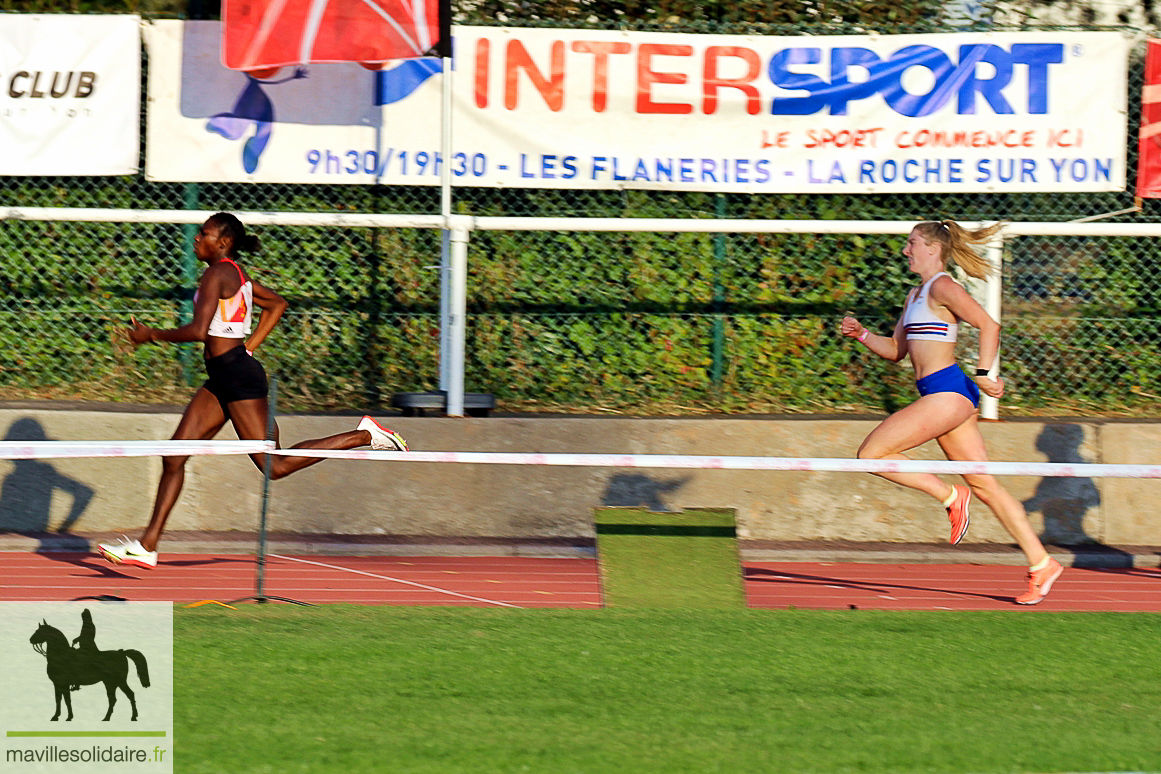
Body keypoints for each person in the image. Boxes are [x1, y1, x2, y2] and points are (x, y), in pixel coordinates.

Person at [97, 212, 407, 570]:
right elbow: (277, 304)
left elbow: (200, 329)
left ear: (223, 242)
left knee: (274, 465)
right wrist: (250, 346)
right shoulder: (237, 275)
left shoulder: (218, 273)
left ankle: (363, 434)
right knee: (174, 455)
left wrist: (151, 335)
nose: (197, 239)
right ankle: (147, 545)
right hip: (226, 376)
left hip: (238, 379)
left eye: (205, 234)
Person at [839, 219, 1063, 605]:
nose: (905, 250)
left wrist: (984, 373)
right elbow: (897, 352)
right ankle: (1041, 562)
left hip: (950, 392)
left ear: (932, 248)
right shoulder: (915, 295)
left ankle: (948, 495)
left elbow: (988, 325)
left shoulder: (944, 286)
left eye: (911, 243)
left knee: (870, 455)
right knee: (985, 485)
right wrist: (861, 334)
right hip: (940, 392)